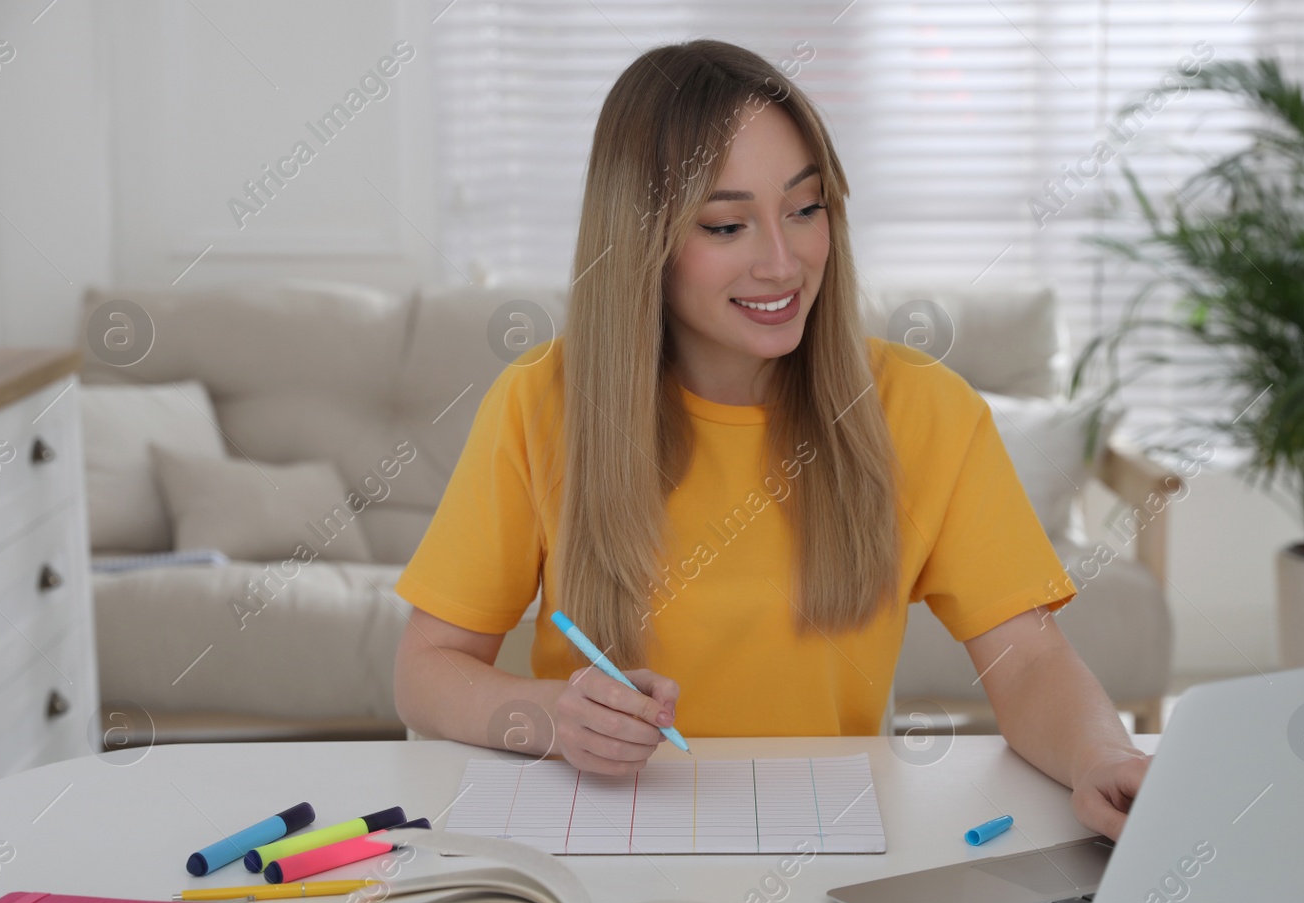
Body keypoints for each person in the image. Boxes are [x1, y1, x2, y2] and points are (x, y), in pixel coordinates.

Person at [393, 39, 1150, 839]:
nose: (783, 262)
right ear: (641, 242)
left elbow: (1028, 660)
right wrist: (550, 716)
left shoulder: (925, 410)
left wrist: (1102, 754)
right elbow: (425, 669)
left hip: (825, 842)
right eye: (727, 225)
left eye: (805, 208)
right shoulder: (540, 404)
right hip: (603, 836)